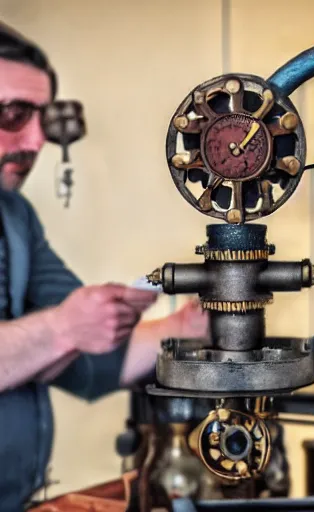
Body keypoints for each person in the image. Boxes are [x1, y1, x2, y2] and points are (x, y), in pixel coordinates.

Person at [0, 23, 208, 510]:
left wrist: (191, 324)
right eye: (12, 114)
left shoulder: (15, 217)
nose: (35, 142)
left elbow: (90, 362)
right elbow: (61, 329)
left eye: (42, 118)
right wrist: (62, 328)